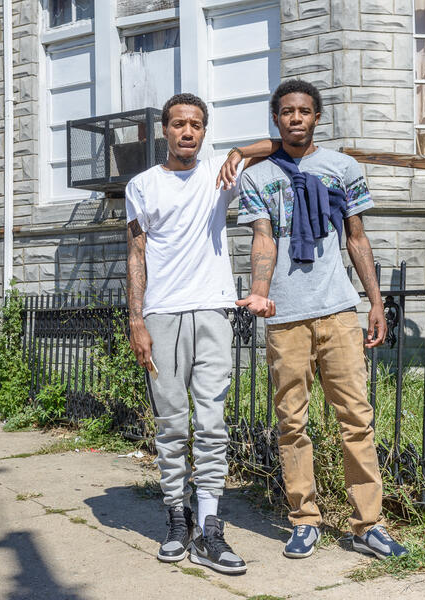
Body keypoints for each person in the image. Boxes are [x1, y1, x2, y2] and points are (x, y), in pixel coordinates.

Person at [235, 79, 409, 560]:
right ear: (276, 119)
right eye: (287, 111)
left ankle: (367, 524)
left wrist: (374, 302)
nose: (296, 118)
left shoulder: (342, 168)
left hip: (337, 310)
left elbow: (356, 237)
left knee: (356, 418)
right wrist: (260, 292)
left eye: (305, 111)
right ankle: (304, 519)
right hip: (286, 317)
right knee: (292, 422)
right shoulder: (257, 176)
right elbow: (264, 238)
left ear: (316, 117)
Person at [125, 92, 276, 575]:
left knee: (211, 423)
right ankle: (177, 516)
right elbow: (135, 254)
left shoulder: (220, 173)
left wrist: (238, 153)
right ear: (164, 131)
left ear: (204, 132)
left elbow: (278, 143)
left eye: (195, 125)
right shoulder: (143, 185)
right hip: (162, 315)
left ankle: (209, 525)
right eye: (178, 124)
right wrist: (136, 320)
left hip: (213, 311)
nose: (187, 131)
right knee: (171, 424)